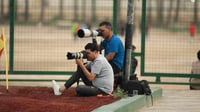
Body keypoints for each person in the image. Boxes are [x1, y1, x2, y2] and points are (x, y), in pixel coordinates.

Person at [98, 21, 125, 89]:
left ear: (109, 30)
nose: (101, 32)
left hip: (115, 65)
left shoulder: (114, 40)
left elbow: (110, 57)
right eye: (100, 30)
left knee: (94, 68)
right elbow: (98, 48)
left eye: (102, 31)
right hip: (109, 63)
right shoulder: (106, 40)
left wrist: (98, 63)